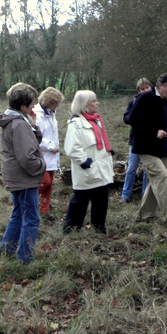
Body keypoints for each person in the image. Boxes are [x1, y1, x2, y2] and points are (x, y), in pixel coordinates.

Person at [0, 83, 47, 263]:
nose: (34, 107)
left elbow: (27, 145)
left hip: (15, 175)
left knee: (18, 214)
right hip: (24, 177)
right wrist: (41, 166)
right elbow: (26, 157)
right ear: (23, 106)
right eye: (31, 104)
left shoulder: (13, 121)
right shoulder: (19, 125)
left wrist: (33, 126)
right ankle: (25, 258)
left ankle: (6, 250)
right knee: (31, 219)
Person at [128, 72, 167, 232]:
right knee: (161, 177)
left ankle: (144, 216)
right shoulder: (145, 98)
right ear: (159, 85)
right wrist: (154, 132)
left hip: (165, 149)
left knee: (156, 182)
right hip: (146, 148)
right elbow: (133, 120)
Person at [63, 90, 115, 234]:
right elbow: (72, 148)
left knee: (101, 200)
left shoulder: (96, 120)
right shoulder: (76, 123)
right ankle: (71, 229)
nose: (97, 103)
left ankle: (99, 228)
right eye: (94, 101)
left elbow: (101, 142)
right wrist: (85, 162)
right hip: (87, 169)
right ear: (85, 105)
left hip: (101, 168)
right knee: (80, 201)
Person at [33, 87, 65, 221]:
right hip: (41, 155)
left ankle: (44, 210)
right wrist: (51, 146)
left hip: (52, 156)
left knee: (49, 184)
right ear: (48, 101)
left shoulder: (51, 113)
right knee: (44, 182)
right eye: (55, 102)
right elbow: (36, 136)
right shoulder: (36, 114)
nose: (57, 105)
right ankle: (30, 204)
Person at [120, 78, 152, 203]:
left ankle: (145, 195)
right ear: (138, 90)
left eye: (147, 87)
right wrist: (134, 118)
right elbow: (126, 118)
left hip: (151, 141)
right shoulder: (133, 102)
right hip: (135, 141)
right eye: (142, 89)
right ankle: (125, 195)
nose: (145, 90)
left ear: (151, 87)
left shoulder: (156, 102)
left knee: (147, 170)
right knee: (131, 169)